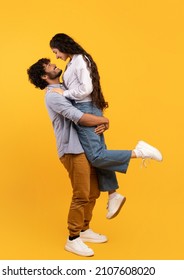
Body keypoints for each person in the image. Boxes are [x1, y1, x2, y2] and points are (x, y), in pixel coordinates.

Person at [49, 33, 163, 217]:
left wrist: (65, 94)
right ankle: (113, 195)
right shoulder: (73, 61)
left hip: (85, 108)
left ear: (62, 46)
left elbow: (86, 89)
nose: (56, 57)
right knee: (101, 152)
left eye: (56, 52)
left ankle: (140, 152)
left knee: (96, 156)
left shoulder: (79, 60)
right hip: (88, 108)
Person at [27, 58, 110, 257]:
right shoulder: (53, 96)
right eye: (50, 66)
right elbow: (79, 117)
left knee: (94, 192)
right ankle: (73, 239)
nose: (55, 64)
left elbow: (88, 107)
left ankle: (85, 229)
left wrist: (102, 123)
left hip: (86, 146)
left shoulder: (66, 88)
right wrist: (105, 119)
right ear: (45, 77)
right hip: (72, 149)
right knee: (81, 194)